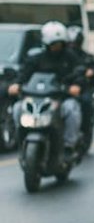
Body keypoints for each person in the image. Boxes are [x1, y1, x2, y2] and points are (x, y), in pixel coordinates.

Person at [8, 21, 82, 158]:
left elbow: (79, 73)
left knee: (72, 109)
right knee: (18, 108)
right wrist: (17, 84)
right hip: (37, 98)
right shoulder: (36, 58)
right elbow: (24, 73)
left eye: (59, 43)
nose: (56, 47)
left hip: (60, 98)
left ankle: (68, 145)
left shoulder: (70, 57)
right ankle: (20, 138)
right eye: (53, 44)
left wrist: (76, 86)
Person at [66, 25, 94, 134]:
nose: (72, 46)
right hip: (62, 87)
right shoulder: (60, 57)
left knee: (86, 101)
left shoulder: (87, 58)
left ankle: (85, 129)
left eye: (74, 43)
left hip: (81, 88)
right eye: (70, 43)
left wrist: (92, 73)